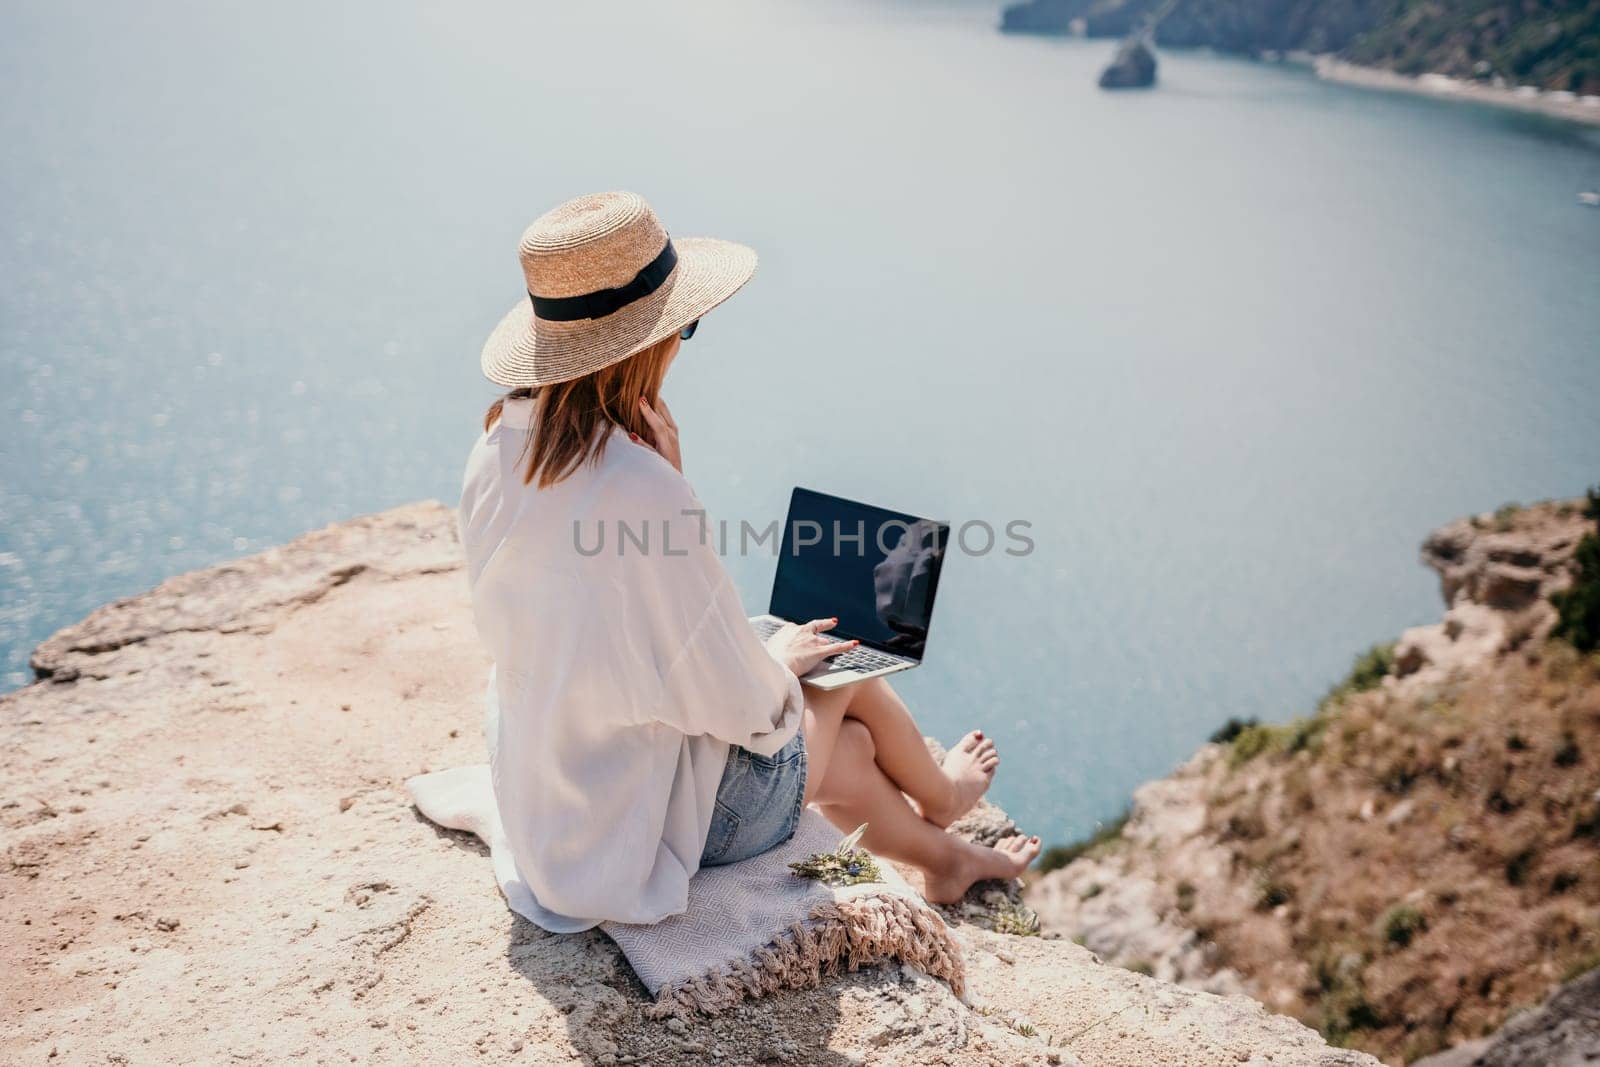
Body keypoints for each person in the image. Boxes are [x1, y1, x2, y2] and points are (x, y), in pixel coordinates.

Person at [458, 191, 1040, 933]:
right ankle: (948, 799)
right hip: (631, 838)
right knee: (836, 678)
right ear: (649, 342)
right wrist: (775, 658)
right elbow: (751, 714)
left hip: (552, 796)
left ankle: (945, 856)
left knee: (849, 745)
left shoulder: (495, 450)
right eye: (684, 327)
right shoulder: (638, 488)